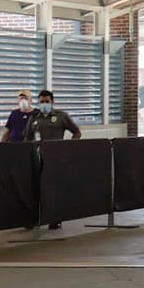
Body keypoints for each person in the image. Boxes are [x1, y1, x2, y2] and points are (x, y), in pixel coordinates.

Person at [27, 89, 82, 229]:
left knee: (54, 190)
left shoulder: (61, 116)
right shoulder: (33, 118)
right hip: (38, 158)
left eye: (47, 101)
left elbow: (77, 132)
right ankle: (33, 218)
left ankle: (54, 218)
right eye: (41, 102)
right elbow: (27, 138)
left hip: (56, 159)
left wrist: (68, 147)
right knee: (35, 189)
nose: (44, 104)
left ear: (52, 102)